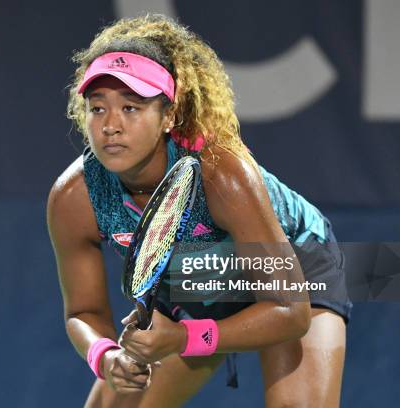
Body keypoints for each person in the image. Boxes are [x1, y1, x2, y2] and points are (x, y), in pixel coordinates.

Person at [47, 14, 352, 408]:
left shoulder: (221, 174)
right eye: (98, 108)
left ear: (169, 116)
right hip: (195, 285)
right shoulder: (74, 196)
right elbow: (83, 311)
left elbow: (290, 312)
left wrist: (187, 338)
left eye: (132, 108)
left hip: (294, 275)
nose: (111, 126)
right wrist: (105, 357)